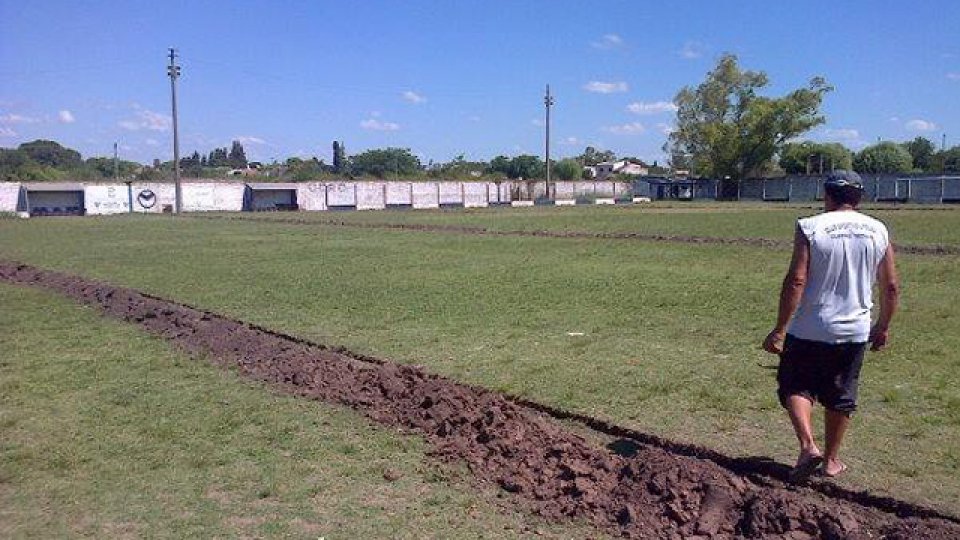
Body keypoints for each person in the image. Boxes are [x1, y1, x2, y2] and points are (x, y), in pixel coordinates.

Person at [762, 170, 900, 481]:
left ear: (827, 195)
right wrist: (884, 325)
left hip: (811, 325)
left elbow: (797, 279)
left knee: (796, 384)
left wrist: (780, 329)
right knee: (841, 394)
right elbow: (890, 286)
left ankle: (808, 446)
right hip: (855, 329)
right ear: (858, 197)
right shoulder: (879, 230)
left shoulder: (810, 227)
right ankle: (832, 460)